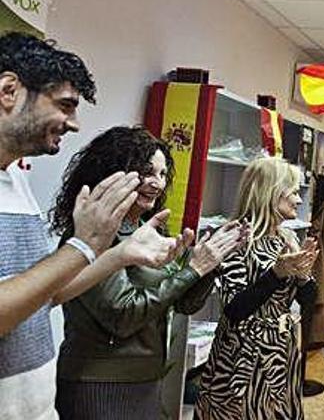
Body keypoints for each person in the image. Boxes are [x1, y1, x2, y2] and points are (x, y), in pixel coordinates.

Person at [0, 32, 185, 420]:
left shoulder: (14, 179)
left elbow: (45, 293)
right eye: (65, 105)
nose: (74, 123)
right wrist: (81, 246)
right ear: (8, 90)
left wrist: (118, 253)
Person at [48, 126, 247, 419]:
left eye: (163, 174)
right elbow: (123, 315)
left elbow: (183, 303)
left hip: (146, 379)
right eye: (147, 172)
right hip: (99, 382)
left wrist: (209, 264)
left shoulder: (146, 228)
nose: (157, 183)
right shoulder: (92, 234)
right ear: (113, 173)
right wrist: (191, 270)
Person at [196, 158, 319, 420]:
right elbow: (234, 308)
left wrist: (304, 277)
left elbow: (307, 301)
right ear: (271, 193)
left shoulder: (286, 237)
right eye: (294, 192)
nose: (299, 200)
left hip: (279, 355)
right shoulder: (236, 238)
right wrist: (278, 273)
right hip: (241, 360)